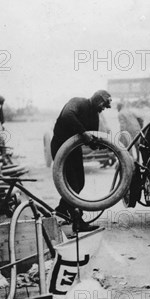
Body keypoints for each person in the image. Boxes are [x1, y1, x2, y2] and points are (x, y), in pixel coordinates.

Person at [51, 90, 112, 232]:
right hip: (61, 147)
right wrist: (83, 132)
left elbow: (91, 138)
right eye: (103, 106)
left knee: (80, 182)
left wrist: (98, 145)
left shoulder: (95, 116)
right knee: (72, 183)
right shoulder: (77, 102)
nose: (103, 109)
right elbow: (67, 116)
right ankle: (77, 221)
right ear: (99, 101)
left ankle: (62, 209)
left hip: (74, 149)